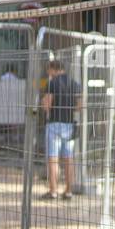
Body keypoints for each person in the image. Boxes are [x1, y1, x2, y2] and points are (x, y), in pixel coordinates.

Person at [41, 55, 81, 199]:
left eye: (49, 71)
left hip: (54, 123)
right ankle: (69, 191)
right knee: (69, 159)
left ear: (53, 69)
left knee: (53, 159)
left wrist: (43, 103)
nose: (48, 74)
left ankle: (53, 191)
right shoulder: (75, 84)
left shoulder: (51, 83)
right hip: (69, 124)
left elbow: (47, 106)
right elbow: (80, 106)